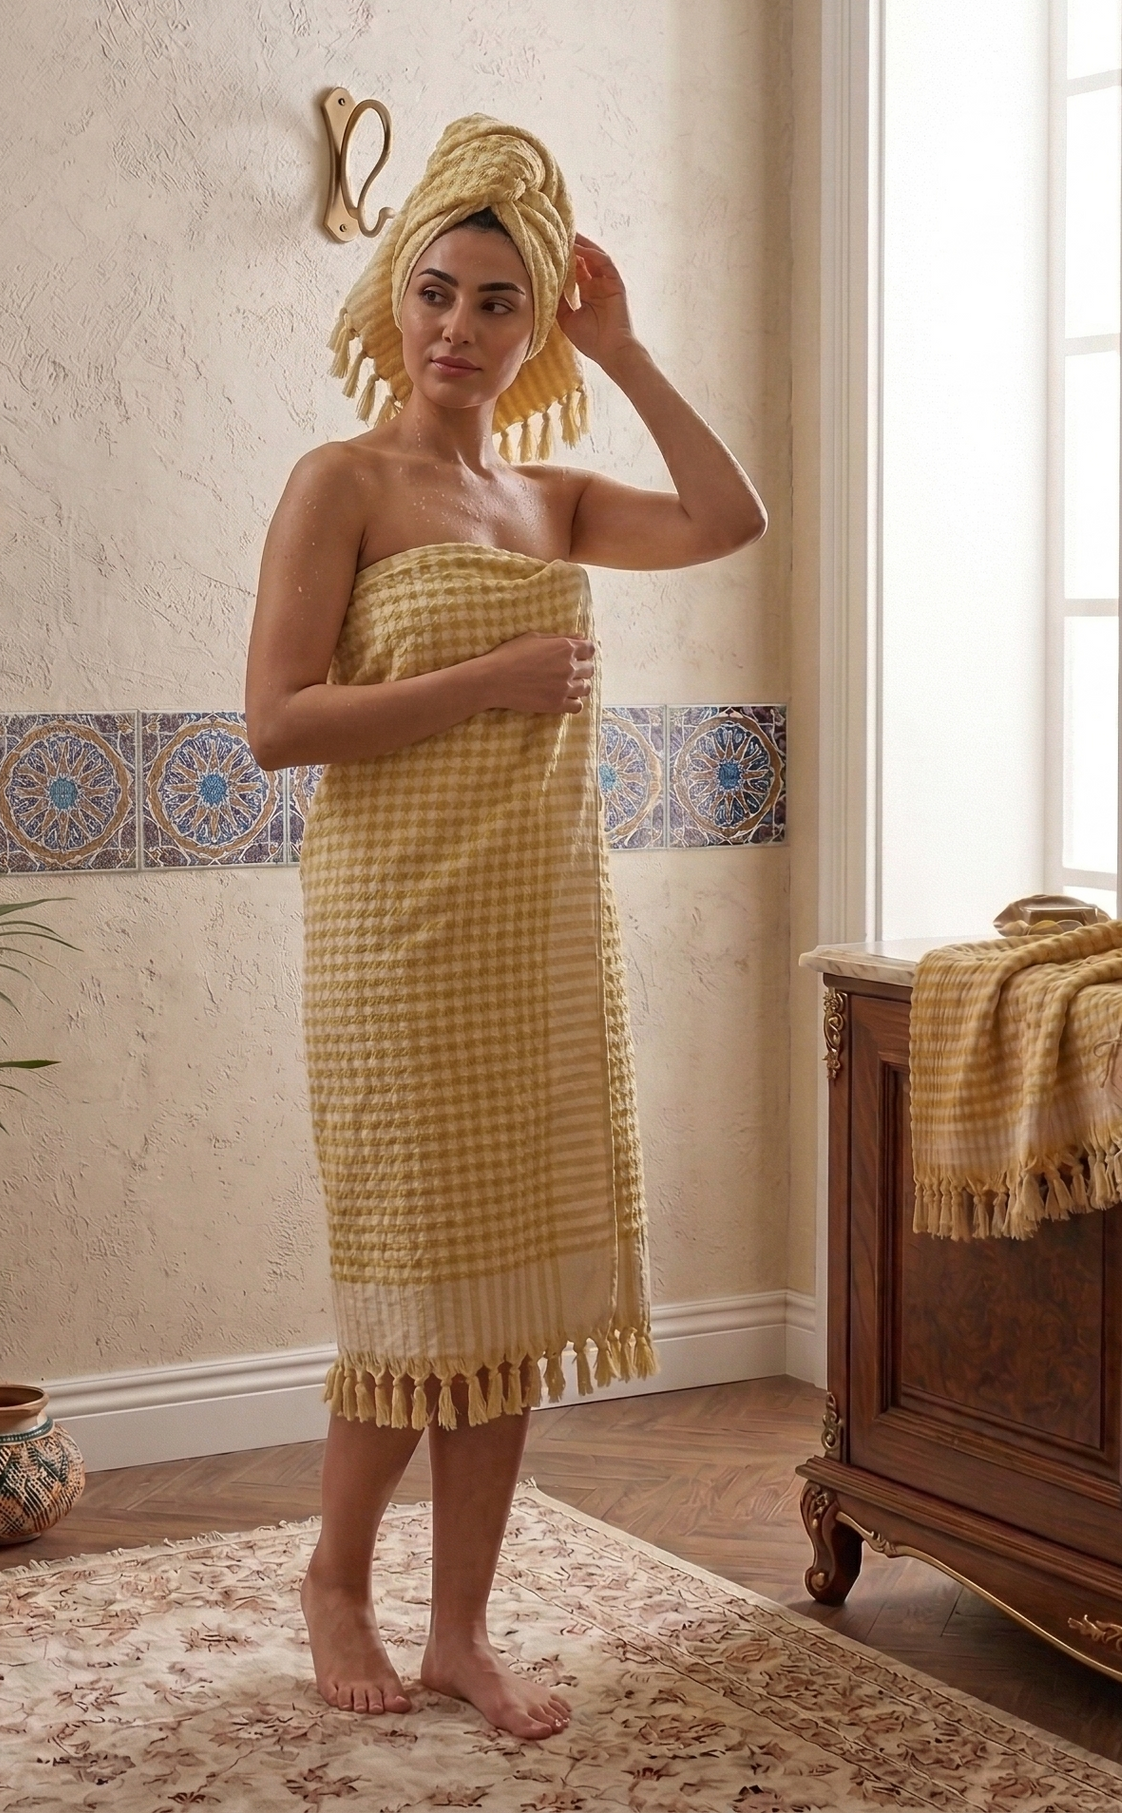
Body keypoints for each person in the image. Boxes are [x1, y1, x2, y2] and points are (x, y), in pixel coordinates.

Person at [245, 116, 767, 1740]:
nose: (461, 330)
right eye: (439, 293)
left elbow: (726, 515)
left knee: (513, 1297)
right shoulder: (342, 480)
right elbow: (275, 721)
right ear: (393, 306)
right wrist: (488, 680)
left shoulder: (551, 498)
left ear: (534, 326)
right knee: (414, 1284)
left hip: (541, 936)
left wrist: (629, 347)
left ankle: (462, 1625)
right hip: (397, 936)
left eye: (498, 304)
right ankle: (340, 1575)